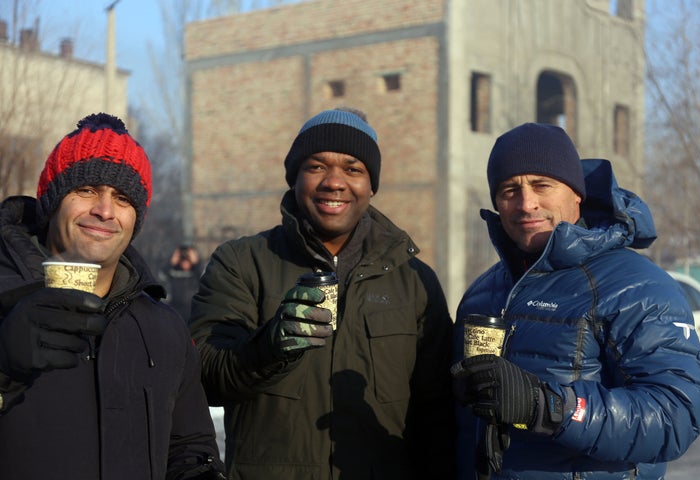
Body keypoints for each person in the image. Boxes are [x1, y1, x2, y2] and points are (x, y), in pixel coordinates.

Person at [189, 108, 455, 479]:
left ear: (371, 185)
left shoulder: (415, 281)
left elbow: (439, 413)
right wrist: (269, 347)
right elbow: (204, 377)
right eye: (316, 166)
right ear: (294, 178)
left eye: (353, 169)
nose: (334, 182)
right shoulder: (241, 263)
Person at [451, 122, 700, 479]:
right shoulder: (483, 292)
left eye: (542, 185)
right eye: (509, 190)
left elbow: (675, 416)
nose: (526, 203)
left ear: (576, 194)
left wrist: (549, 407)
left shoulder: (637, 286)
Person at [0, 113, 225, 480]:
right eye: (86, 190)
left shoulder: (164, 328)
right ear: (51, 202)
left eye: (122, 198)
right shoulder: (5, 304)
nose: (104, 211)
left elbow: (189, 446)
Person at [160, 244, 203, 320]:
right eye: (183, 260)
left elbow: (203, 277)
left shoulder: (196, 272)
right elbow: (162, 276)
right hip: (175, 308)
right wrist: (172, 261)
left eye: (188, 260)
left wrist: (196, 262)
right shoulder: (174, 270)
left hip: (192, 309)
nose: (185, 262)